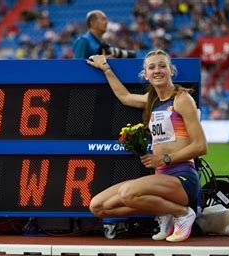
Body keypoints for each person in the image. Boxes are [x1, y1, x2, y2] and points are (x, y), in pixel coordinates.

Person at [85, 50, 207, 242]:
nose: (157, 70)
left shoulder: (182, 99)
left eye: (162, 66)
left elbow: (201, 146)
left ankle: (182, 213)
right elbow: (124, 97)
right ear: (146, 74)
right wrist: (105, 67)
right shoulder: (152, 101)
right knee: (98, 206)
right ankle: (164, 211)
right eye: (152, 67)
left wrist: (165, 159)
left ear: (171, 71)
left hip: (182, 179)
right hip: (160, 180)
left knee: (127, 193)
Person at [72, 10, 136, 59]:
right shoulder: (83, 41)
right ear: (92, 23)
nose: (107, 22)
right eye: (103, 19)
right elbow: (77, 67)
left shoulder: (102, 44)